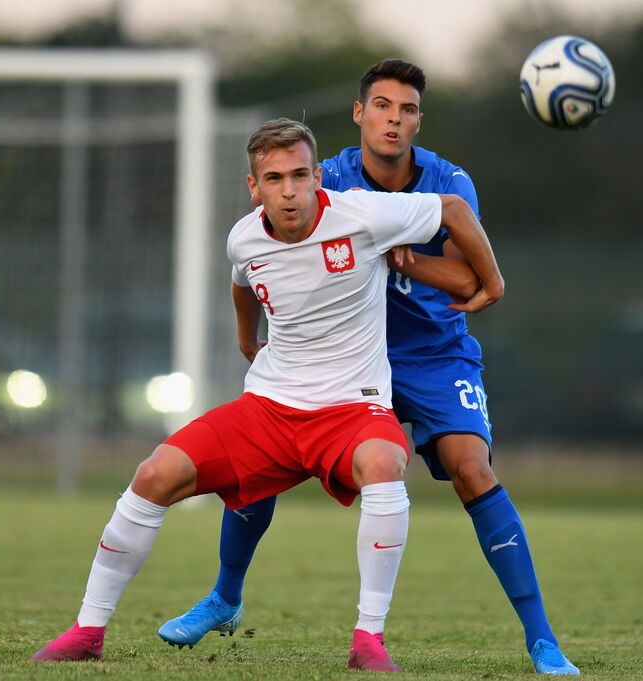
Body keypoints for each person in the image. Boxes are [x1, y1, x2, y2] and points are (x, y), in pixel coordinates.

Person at [31, 118, 504, 671]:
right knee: (153, 475)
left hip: (352, 409)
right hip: (269, 409)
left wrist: (493, 281)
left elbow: (453, 208)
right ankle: (87, 630)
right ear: (254, 188)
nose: (289, 191)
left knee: (385, 464)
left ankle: (368, 641)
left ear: (317, 177)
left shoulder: (362, 214)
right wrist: (245, 338)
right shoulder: (244, 236)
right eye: (274, 179)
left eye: (300, 175)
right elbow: (243, 280)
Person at [158, 60, 580, 675]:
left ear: (418, 122)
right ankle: (225, 597)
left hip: (433, 353)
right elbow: (254, 262)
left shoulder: (450, 181)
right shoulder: (324, 176)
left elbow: (467, 279)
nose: (393, 119)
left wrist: (402, 258)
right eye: (382, 106)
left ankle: (542, 639)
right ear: (359, 113)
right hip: (346, 358)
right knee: (261, 453)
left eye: (407, 110)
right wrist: (253, 337)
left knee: (472, 469)